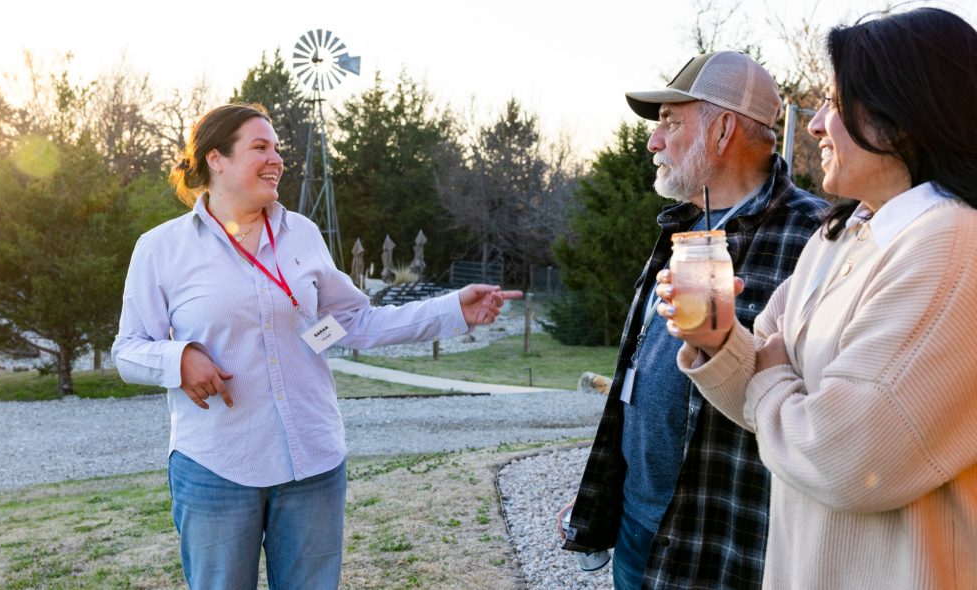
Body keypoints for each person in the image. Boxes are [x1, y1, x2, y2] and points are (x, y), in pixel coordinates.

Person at [111, 103, 521, 589]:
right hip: (217, 467)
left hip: (313, 463)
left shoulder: (302, 234)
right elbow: (128, 348)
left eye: (277, 148)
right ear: (216, 159)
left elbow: (354, 323)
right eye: (260, 147)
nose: (277, 159)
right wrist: (179, 359)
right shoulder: (161, 248)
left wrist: (452, 309)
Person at [660, 8, 977, 589]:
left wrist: (772, 372)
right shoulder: (843, 235)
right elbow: (763, 393)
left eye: (833, 102)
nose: (814, 126)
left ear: (900, 117)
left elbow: (847, 456)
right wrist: (719, 342)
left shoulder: (953, 245)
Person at [559, 51, 827, 589]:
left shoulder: (816, 239)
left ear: (723, 130)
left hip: (721, 550)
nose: (653, 141)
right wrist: (606, 491)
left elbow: (818, 415)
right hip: (637, 524)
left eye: (670, 122)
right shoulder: (683, 225)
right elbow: (642, 373)